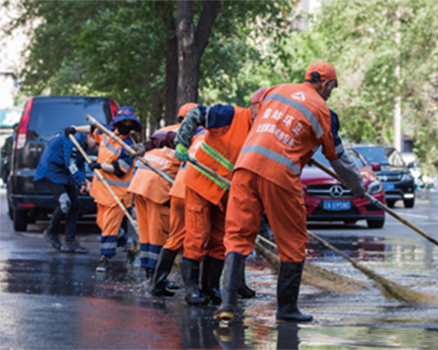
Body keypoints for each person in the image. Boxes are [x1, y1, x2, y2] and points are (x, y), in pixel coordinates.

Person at [214, 62, 365, 323]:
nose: (330, 94)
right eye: (332, 88)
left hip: (245, 167)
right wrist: (358, 188)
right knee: (292, 243)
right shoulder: (323, 112)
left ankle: (226, 304)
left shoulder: (275, 91)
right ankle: (286, 310)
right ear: (326, 84)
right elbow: (339, 160)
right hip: (279, 176)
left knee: (237, 237)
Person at [171, 87, 268, 305]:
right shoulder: (229, 114)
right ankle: (192, 290)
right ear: (254, 106)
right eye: (263, 110)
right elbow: (195, 114)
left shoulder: (263, 132)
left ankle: (211, 287)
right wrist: (182, 141)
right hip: (201, 185)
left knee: (219, 241)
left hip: (227, 195)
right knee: (197, 235)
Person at [70, 106, 141, 272]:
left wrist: (100, 165)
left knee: (109, 226)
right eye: (124, 122)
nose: (126, 125)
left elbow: (120, 168)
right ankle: (130, 246)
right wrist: (75, 129)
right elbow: (94, 128)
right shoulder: (108, 132)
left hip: (118, 194)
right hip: (103, 191)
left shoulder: (129, 145)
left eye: (130, 123)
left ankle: (105, 258)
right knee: (101, 223)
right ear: (118, 122)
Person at [127, 121, 181, 279]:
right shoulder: (195, 135)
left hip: (140, 183)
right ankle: (157, 278)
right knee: (158, 235)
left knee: (146, 234)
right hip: (159, 187)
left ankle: (148, 274)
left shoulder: (165, 130)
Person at [33, 130, 97, 253]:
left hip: (64, 172)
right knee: (65, 203)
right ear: (90, 136)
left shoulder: (83, 144)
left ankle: (70, 241)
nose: (97, 147)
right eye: (97, 143)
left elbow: (80, 163)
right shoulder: (72, 140)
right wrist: (83, 181)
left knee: (75, 205)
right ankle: (51, 232)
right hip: (51, 169)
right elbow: (71, 163)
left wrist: (82, 182)